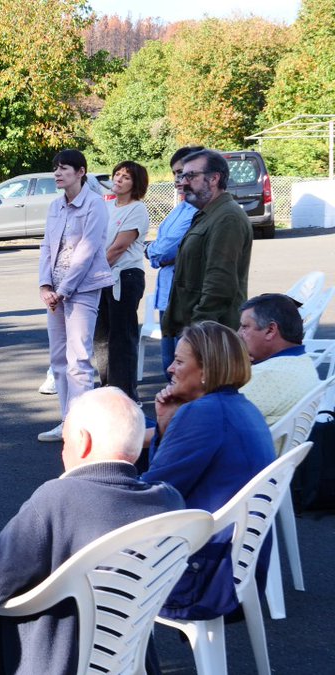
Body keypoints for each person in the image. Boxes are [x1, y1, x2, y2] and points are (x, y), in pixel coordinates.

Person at [0, 387, 184, 675]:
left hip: (42, 656)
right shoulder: (170, 503)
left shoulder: (57, 500)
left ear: (83, 441)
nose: (62, 449)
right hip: (125, 656)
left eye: (65, 439)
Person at [142, 321, 275, 619]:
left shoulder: (203, 414)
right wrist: (165, 428)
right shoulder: (241, 407)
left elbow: (154, 495)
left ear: (206, 370)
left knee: (80, 561)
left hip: (204, 575)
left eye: (179, 361)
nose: (169, 370)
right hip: (238, 564)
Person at [36, 149, 112, 443]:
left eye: (64, 168)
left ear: (81, 172)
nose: (57, 173)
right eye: (55, 168)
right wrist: (45, 286)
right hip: (55, 292)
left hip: (83, 290)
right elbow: (46, 247)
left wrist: (63, 290)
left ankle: (82, 426)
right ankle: (67, 421)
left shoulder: (94, 204)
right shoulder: (55, 206)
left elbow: (87, 250)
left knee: (78, 358)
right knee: (58, 359)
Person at [162, 149, 253, 340]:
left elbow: (219, 284)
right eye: (182, 176)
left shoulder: (227, 217)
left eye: (191, 176)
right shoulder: (207, 214)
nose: (183, 182)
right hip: (196, 329)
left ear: (214, 179)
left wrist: (197, 331)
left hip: (210, 336)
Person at [95, 160, 150, 401]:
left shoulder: (137, 209)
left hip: (125, 277)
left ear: (135, 183)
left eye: (126, 177)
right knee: (102, 338)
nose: (118, 179)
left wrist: (90, 274)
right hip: (102, 278)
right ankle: (108, 390)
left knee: (122, 338)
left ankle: (126, 396)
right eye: (117, 174)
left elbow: (117, 249)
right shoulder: (108, 207)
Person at [146, 146, 203, 375]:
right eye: (175, 173)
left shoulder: (195, 212)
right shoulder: (181, 208)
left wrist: (152, 250)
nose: (179, 178)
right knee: (170, 367)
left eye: (184, 172)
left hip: (185, 300)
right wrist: (155, 250)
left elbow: (164, 251)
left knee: (183, 371)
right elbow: (160, 248)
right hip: (167, 296)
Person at [237, 293, 320, 428]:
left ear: (270, 330)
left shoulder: (266, 375)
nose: (239, 333)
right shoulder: (301, 362)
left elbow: (205, 417)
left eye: (245, 327)